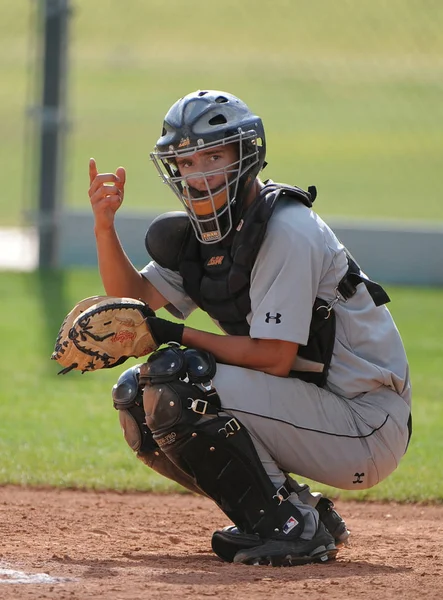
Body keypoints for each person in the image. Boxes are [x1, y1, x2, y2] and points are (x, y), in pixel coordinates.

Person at [88, 90, 412, 567]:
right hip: (312, 409)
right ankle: (300, 512)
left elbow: (274, 357)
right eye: (187, 161)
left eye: (213, 157)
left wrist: (174, 336)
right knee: (138, 399)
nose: (198, 175)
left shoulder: (286, 231)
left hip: (363, 424)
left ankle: (294, 530)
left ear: (246, 155)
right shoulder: (207, 233)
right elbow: (136, 303)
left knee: (176, 383)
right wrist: (103, 227)